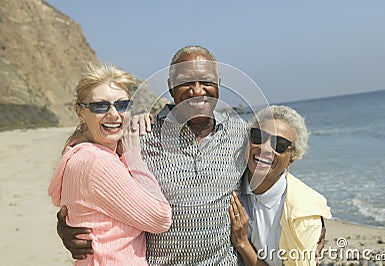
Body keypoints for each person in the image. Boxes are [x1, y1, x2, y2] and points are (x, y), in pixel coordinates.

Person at [56, 46, 248, 265]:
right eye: (186, 82)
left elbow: (272, 186)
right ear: (170, 86)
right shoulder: (138, 138)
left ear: (218, 83)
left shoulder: (240, 133)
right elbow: (87, 188)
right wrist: (65, 224)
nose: (197, 91)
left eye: (206, 81)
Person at [48, 63, 172, 265]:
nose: (114, 114)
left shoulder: (76, 151)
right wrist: (133, 154)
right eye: (100, 106)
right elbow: (160, 219)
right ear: (80, 112)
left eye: (122, 105)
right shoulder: (97, 161)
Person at [229, 105, 332, 266]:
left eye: (279, 145)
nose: (265, 148)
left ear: (293, 157)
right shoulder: (229, 180)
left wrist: (243, 244)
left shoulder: (304, 215)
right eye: (258, 136)